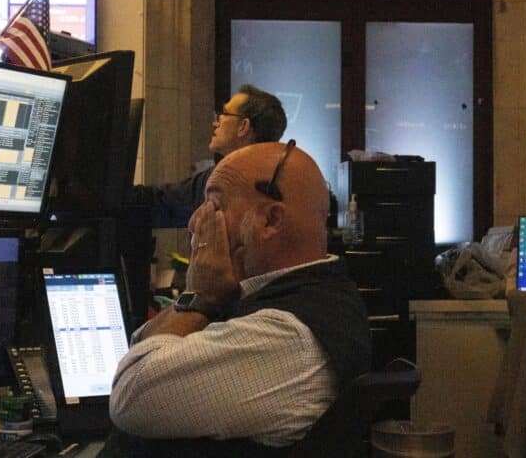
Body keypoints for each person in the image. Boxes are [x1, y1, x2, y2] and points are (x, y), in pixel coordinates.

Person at [106, 141, 371, 457]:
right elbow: (142, 349)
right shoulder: (274, 297)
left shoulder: (289, 333)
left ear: (270, 221)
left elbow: (130, 397)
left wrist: (200, 298)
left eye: (214, 206)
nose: (194, 223)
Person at [133, 84, 287, 228]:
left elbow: (162, 204)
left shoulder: (222, 180)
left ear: (243, 126)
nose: (215, 123)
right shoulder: (286, 178)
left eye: (224, 114)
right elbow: (164, 200)